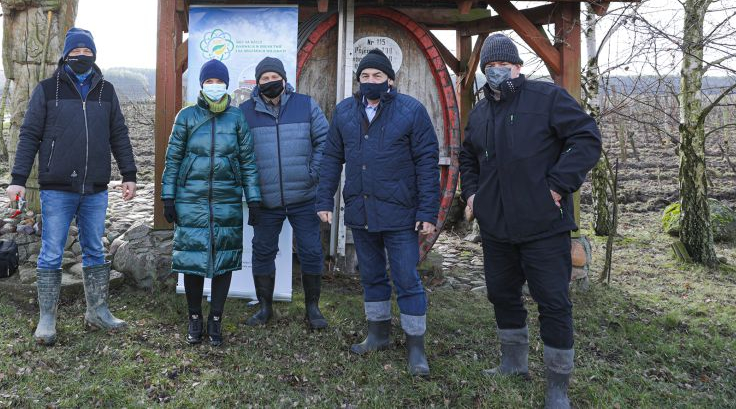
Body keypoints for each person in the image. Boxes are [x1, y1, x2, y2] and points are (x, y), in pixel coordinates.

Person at [459, 34, 601, 409]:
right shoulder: (480, 111)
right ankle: (513, 363)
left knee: (553, 302)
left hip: (543, 225)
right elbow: (468, 157)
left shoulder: (546, 98)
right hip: (497, 228)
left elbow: (587, 138)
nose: (495, 72)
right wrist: (473, 195)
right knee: (501, 294)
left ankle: (557, 386)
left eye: (502, 65)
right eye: (489, 67)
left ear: (518, 66)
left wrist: (557, 186)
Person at [7, 27, 138, 346]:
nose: (82, 57)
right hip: (57, 188)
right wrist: (17, 180)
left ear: (94, 55)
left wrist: (129, 173)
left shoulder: (106, 91)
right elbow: (29, 135)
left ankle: (98, 311)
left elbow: (118, 133)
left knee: (95, 248)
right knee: (51, 252)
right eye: (76, 52)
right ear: (65, 55)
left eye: (87, 52)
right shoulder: (48, 90)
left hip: (95, 188)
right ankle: (47, 319)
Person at [316, 48, 440, 376]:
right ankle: (378, 334)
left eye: (378, 76)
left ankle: (416, 348)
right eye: (365, 76)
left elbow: (427, 162)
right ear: (359, 80)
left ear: (390, 80)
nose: (371, 81)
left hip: (400, 213)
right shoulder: (344, 112)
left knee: (406, 278)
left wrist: (428, 210)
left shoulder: (411, 111)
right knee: (371, 276)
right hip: (361, 209)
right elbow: (331, 158)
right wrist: (323, 200)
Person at [161, 59, 262, 347]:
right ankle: (195, 318)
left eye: (219, 82)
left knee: (224, 260)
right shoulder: (187, 117)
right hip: (190, 198)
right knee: (192, 260)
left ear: (226, 85)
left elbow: (248, 163)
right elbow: (173, 160)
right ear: (202, 85)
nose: (214, 86)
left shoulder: (237, 118)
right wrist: (168, 196)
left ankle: (215, 319)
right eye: (209, 82)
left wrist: (253, 199)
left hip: (226, 199)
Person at [239, 56, 330, 330]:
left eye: (274, 77)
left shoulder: (306, 105)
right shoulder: (245, 112)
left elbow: (324, 141)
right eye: (264, 79)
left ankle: (312, 309)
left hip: (304, 196)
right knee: (263, 251)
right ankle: (265, 308)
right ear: (257, 83)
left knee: (312, 251)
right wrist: (252, 190)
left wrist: (312, 172)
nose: (270, 82)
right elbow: (241, 154)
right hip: (266, 201)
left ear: (284, 79)